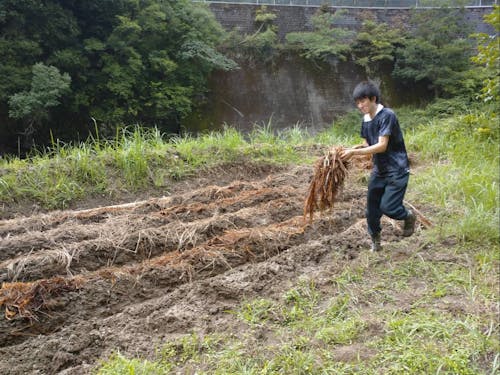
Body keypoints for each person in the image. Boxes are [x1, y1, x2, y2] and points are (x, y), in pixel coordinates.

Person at [340, 80, 416, 251]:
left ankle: (408, 216)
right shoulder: (366, 120)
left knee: (389, 207)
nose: (360, 105)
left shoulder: (387, 115)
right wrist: (351, 150)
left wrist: (354, 153)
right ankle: (376, 242)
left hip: (397, 169)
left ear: (373, 99)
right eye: (357, 103)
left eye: (363, 101)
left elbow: (382, 145)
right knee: (371, 211)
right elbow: (368, 145)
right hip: (379, 170)